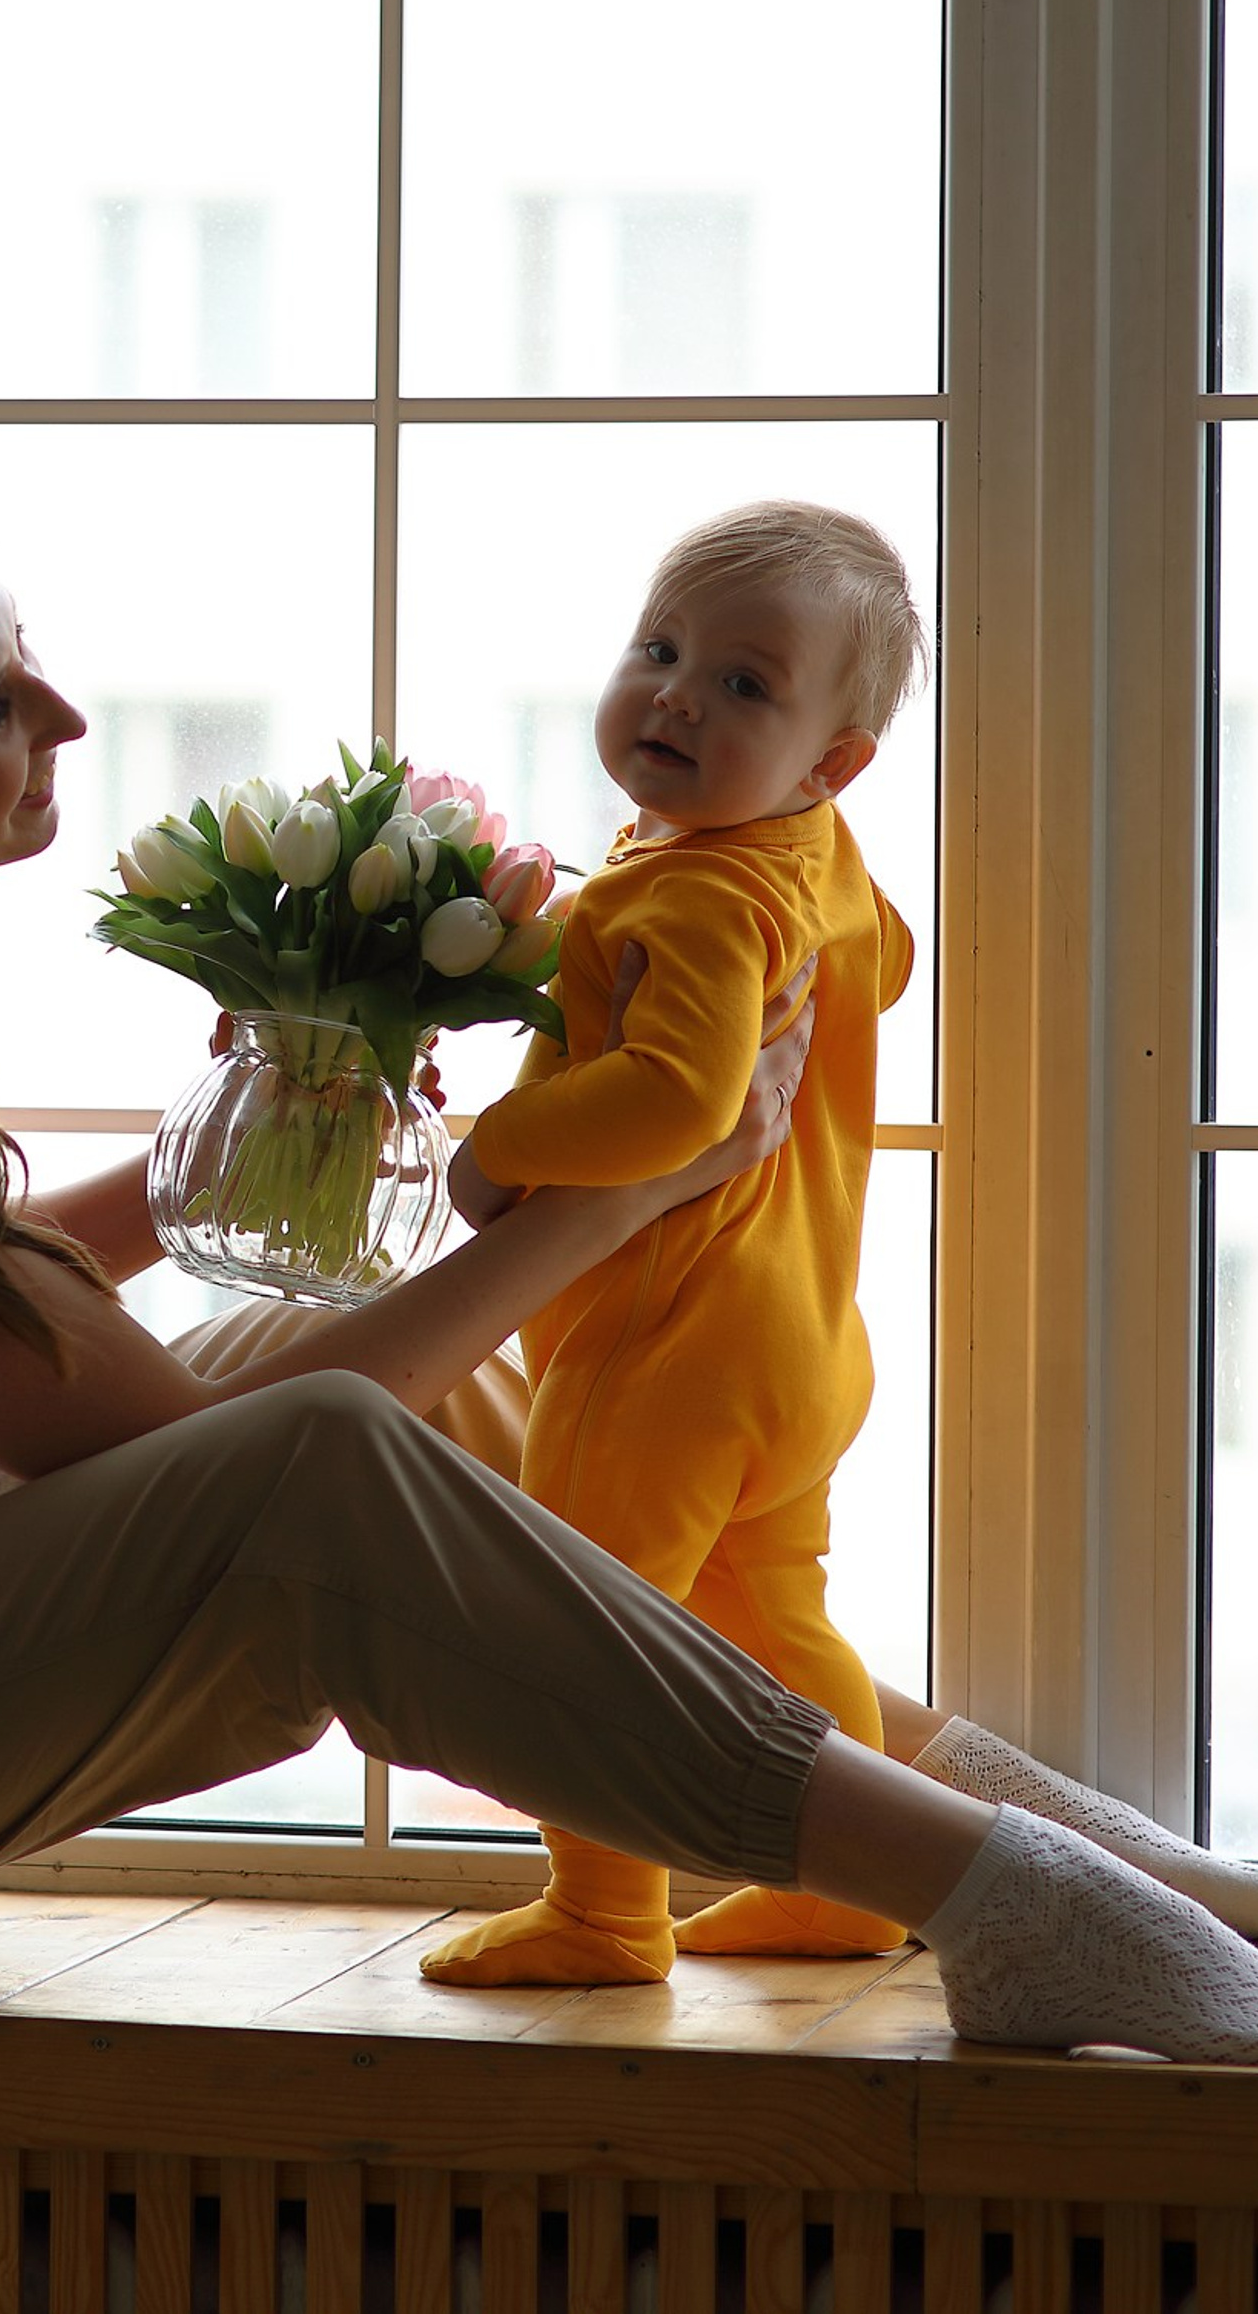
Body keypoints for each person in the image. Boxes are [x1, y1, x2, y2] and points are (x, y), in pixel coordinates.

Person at [0, 481, 1258, 2064]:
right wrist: (621, 1196)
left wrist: (274, 1146)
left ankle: (1067, 1864)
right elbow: (167, 1450)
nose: (62, 719)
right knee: (318, 1448)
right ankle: (1003, 1896)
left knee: (444, 1387)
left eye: (19, 656)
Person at [419, 501, 924, 1988]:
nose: (678, 695)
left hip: (671, 1347)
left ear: (833, 762)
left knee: (583, 1628)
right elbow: (883, 962)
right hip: (801, 1345)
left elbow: (677, 1100)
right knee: (782, 1616)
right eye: (659, 649)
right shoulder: (806, 861)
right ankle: (853, 1893)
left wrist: (498, 1146)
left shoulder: (700, 888)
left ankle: (602, 1913)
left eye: (744, 684)